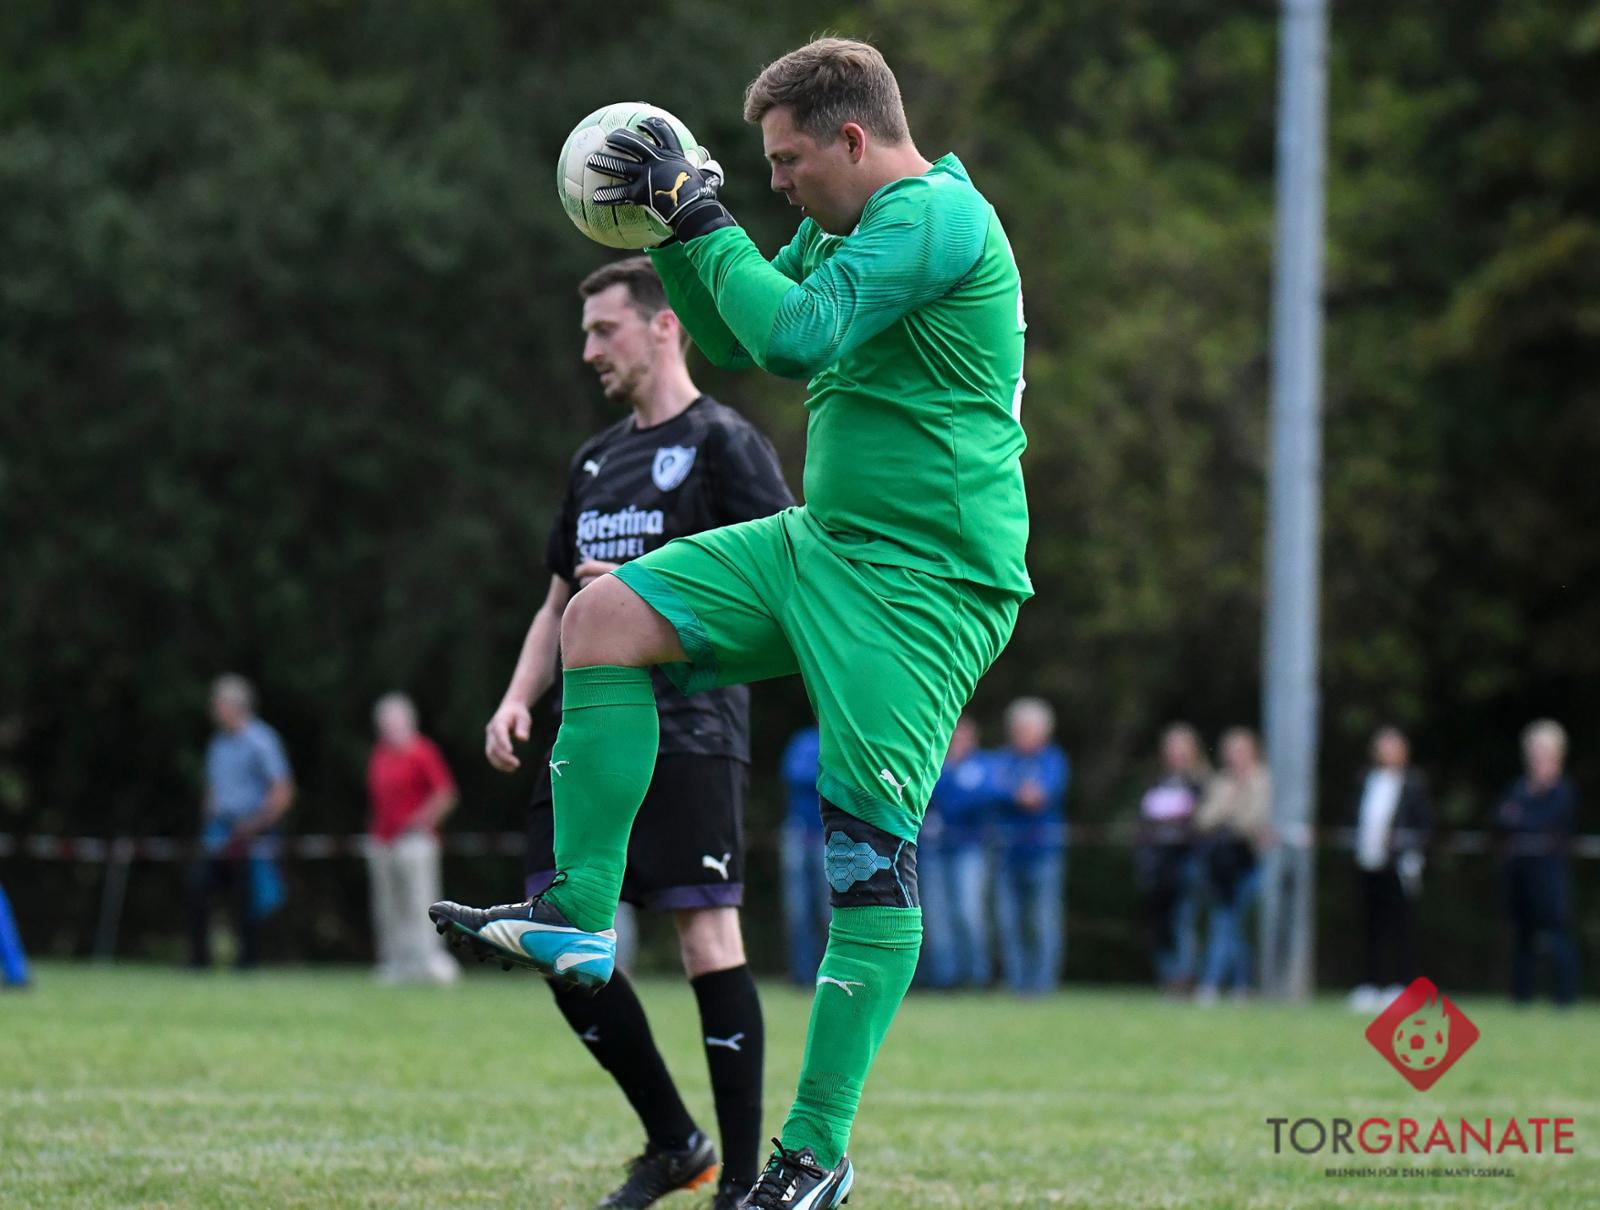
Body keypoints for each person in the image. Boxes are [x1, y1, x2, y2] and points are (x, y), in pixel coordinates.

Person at [431, 36, 1029, 1209]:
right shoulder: (850, 224)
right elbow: (734, 327)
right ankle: (576, 913)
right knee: (603, 617)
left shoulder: (934, 217)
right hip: (823, 544)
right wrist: (668, 227)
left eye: (789, 161)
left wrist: (700, 213)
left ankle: (814, 1152)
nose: (779, 185)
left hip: (925, 584)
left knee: (864, 859)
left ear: (851, 138)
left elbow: (796, 335)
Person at [466, 256, 793, 1210]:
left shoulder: (724, 444)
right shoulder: (593, 461)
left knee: (706, 935)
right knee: (552, 930)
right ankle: (675, 1142)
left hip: (691, 725)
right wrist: (517, 697)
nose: (589, 351)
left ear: (665, 326)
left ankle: (742, 1181)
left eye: (604, 330)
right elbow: (557, 602)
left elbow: (786, 579)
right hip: (588, 734)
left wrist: (657, 600)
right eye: (586, 333)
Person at [187, 674, 293, 969]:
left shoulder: (262, 740)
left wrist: (258, 824)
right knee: (197, 886)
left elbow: (282, 790)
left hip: (252, 830)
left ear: (235, 706)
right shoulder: (218, 743)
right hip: (219, 831)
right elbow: (213, 788)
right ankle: (198, 960)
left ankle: (249, 962)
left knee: (248, 896)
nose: (213, 709)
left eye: (217, 704)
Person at [365, 692, 459, 985]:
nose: (388, 727)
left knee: (420, 902)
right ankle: (394, 962)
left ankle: (428, 961)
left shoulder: (422, 751)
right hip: (383, 840)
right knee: (387, 906)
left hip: (415, 841)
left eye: (393, 721)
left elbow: (445, 794)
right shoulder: (380, 754)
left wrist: (420, 821)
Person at [1494, 719, 1578, 1006]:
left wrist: (1521, 821)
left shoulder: (1563, 790)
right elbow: (1500, 820)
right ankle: (1521, 997)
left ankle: (1564, 998)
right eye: (1534, 749)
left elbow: (1544, 823)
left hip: (1549, 875)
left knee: (1558, 935)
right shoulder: (1518, 788)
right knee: (1522, 936)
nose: (1537, 755)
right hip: (1520, 873)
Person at [1348, 725, 1431, 1013]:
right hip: (1368, 860)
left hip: (1399, 864)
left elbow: (1423, 825)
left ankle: (1402, 984)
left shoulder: (1414, 783)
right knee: (1371, 925)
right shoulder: (1365, 779)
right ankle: (1371, 983)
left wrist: (1401, 843)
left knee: (1401, 925)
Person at [992, 698, 1069, 995]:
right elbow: (987, 791)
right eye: (1017, 728)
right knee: (1007, 922)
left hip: (1043, 854)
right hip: (1007, 853)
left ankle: (1042, 984)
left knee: (1042, 921)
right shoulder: (1003, 759)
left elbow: (1038, 797)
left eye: (1027, 728)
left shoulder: (1053, 760)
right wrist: (1017, 794)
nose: (1020, 734)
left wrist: (1010, 793)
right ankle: (1016, 983)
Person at [922, 714, 1003, 988]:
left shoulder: (983, 765)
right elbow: (924, 797)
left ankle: (977, 976)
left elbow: (982, 798)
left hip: (970, 849)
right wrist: (955, 788)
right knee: (936, 916)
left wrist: (952, 794)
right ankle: (944, 977)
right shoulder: (931, 763)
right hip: (935, 850)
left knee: (969, 912)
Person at [1192, 727, 1272, 1003]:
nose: (1235, 756)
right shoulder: (1222, 781)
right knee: (1225, 923)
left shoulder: (1263, 780)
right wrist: (1228, 809)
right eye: (1231, 751)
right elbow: (1202, 819)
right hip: (1222, 865)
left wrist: (1228, 815)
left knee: (1232, 923)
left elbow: (1254, 821)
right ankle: (1230, 984)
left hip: (1250, 863)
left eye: (1241, 750)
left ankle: (1218, 983)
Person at [1135, 723, 1207, 996]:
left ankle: (1184, 978)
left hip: (1186, 861)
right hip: (1157, 863)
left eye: (1182, 748)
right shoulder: (1156, 781)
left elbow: (1205, 821)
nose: (1176, 754)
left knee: (1183, 921)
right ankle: (1168, 978)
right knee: (1158, 923)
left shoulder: (1201, 783)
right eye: (1171, 749)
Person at [779, 725, 829, 986]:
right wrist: (828, 775)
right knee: (797, 910)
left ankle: (829, 972)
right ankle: (801, 975)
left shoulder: (842, 738)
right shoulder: (804, 741)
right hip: (799, 835)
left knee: (829, 912)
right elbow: (793, 774)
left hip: (830, 839)